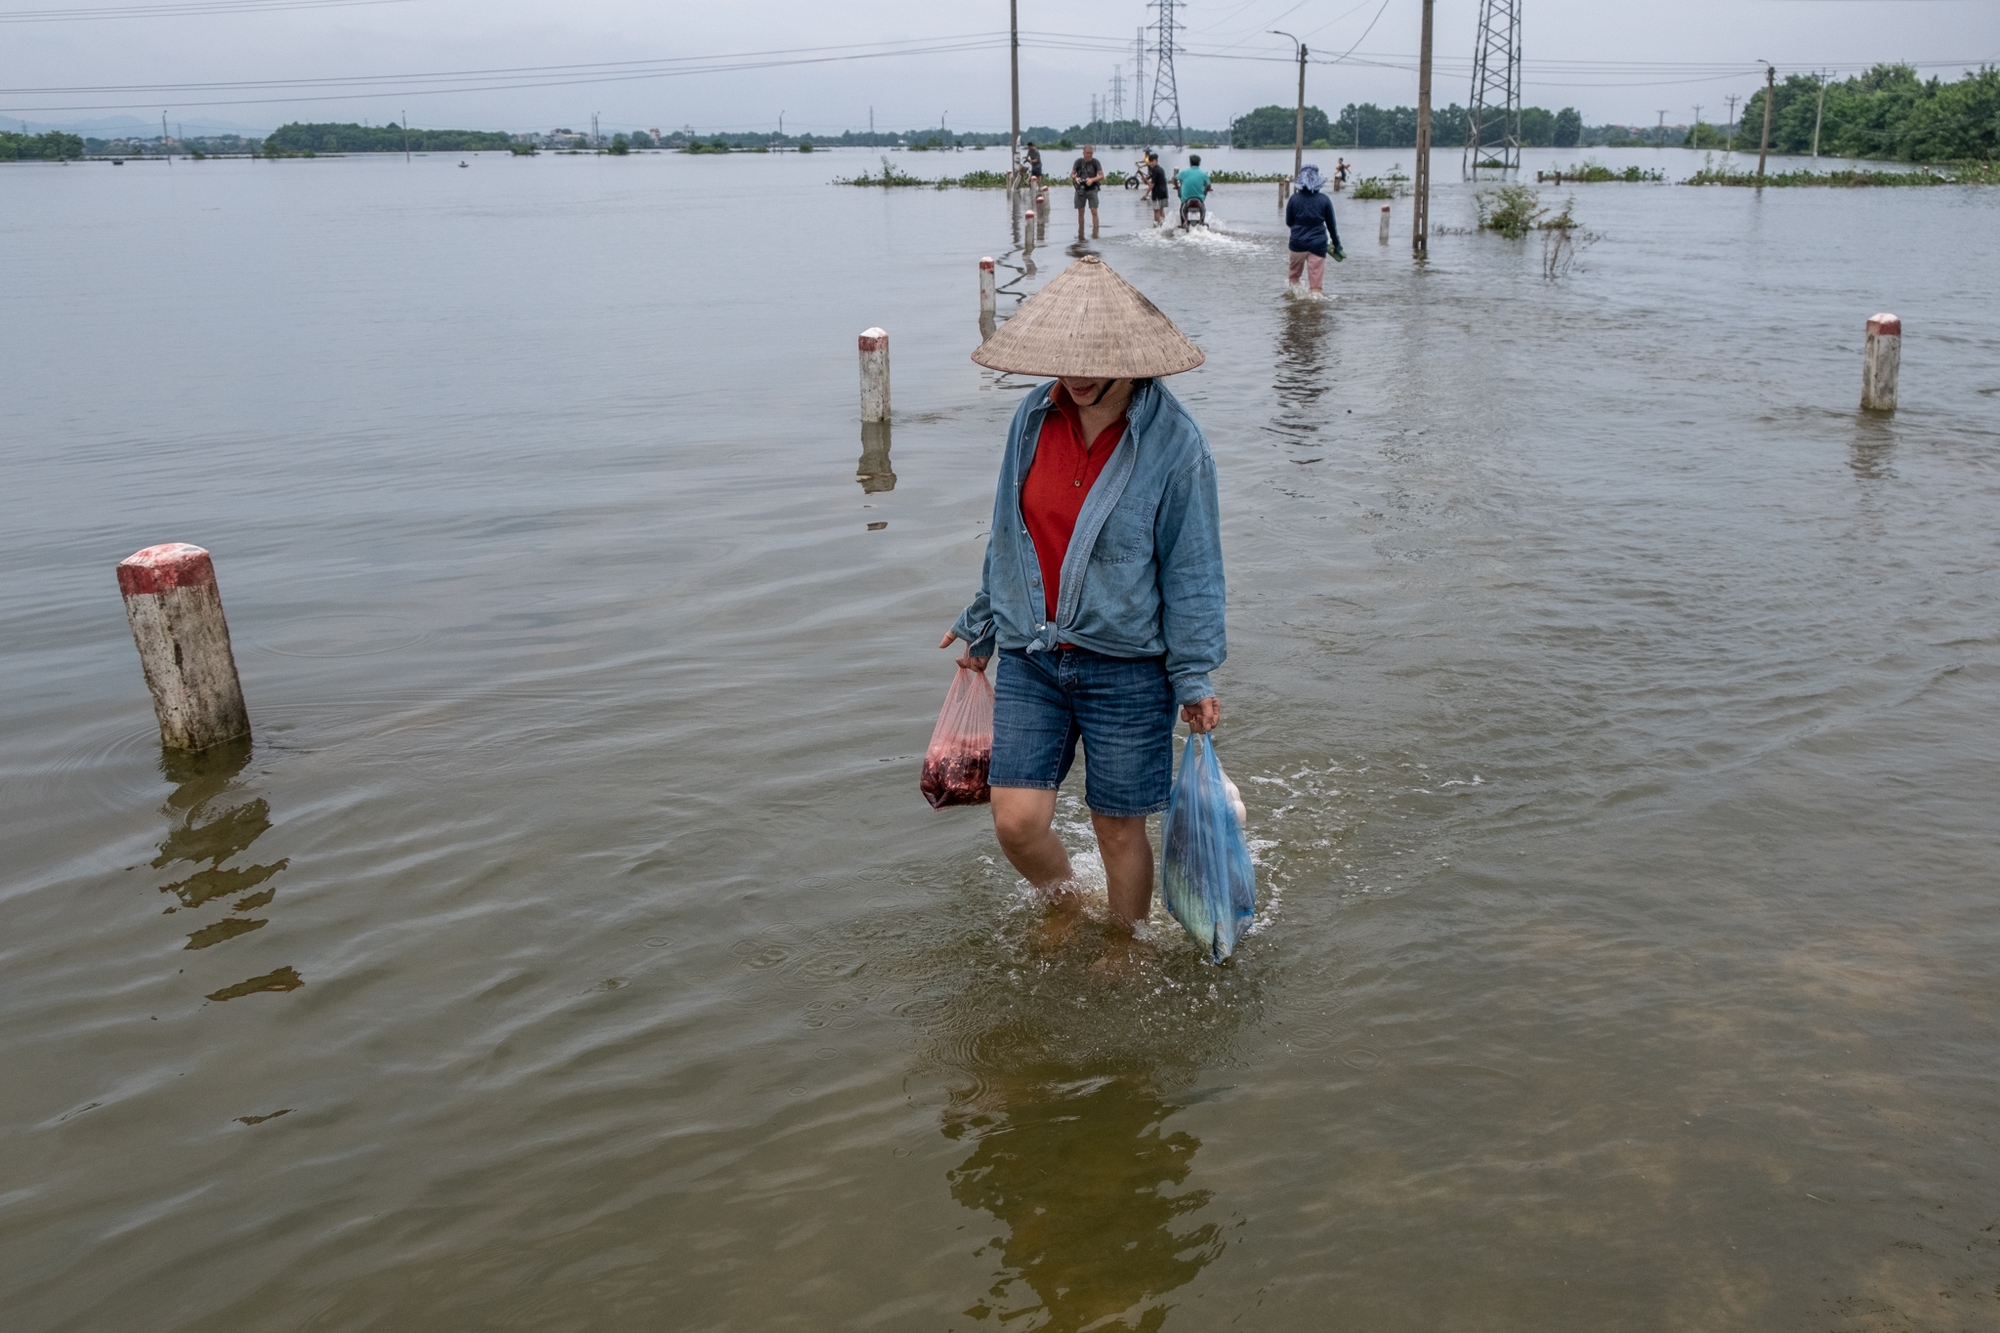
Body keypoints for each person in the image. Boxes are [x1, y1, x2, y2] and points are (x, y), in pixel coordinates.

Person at [945, 255, 1224, 934]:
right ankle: (1067, 900)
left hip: (1127, 665)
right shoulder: (1033, 418)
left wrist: (1193, 675)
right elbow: (1007, 530)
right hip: (1034, 655)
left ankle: (1126, 946)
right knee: (1015, 819)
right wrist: (982, 626)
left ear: (1134, 359)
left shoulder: (1177, 445)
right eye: (1065, 359)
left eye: (1094, 362)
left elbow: (1192, 568)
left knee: (1118, 828)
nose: (1075, 375)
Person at [1284, 163, 1344, 298]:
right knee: (1316, 285)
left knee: (1294, 277)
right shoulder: (1324, 200)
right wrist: (1337, 244)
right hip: (1318, 244)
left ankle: (1293, 307)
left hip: (1297, 244)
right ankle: (1315, 312)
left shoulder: (1294, 199)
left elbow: (1289, 222)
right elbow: (1331, 226)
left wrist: (1299, 228)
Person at [1071, 145, 1105, 239]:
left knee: (1094, 211)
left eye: (1090, 153)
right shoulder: (1078, 162)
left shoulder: (1095, 162)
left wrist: (1092, 179)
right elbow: (1072, 174)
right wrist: (1076, 178)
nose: (1089, 155)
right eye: (1087, 153)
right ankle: (1081, 232)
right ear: (1083, 153)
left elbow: (1102, 176)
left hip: (1092, 189)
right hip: (1080, 189)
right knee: (1080, 211)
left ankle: (1095, 232)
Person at [1175, 153, 1210, 227]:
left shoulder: (1184, 172)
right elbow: (1209, 185)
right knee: (1203, 208)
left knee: (1181, 207)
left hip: (1186, 199)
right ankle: (1202, 222)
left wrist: (1176, 186)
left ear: (1190, 162)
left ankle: (1183, 223)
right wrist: (1207, 189)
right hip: (1199, 199)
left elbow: (1175, 179)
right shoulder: (1203, 174)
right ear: (1199, 163)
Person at [1144, 150, 1170, 225]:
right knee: (1161, 209)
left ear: (1156, 161)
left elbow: (1152, 184)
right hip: (1164, 192)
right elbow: (1150, 177)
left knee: (1156, 210)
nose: (1150, 163)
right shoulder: (1161, 169)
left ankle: (1156, 225)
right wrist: (1146, 179)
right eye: (1150, 161)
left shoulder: (1155, 170)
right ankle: (1164, 224)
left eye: (1151, 161)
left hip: (1157, 193)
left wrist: (1146, 194)